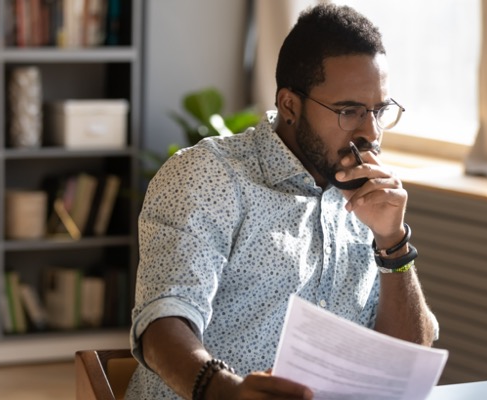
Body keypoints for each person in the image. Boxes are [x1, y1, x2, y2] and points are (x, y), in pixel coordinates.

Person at [125, 4, 437, 399]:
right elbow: (162, 322)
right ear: (290, 105)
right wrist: (227, 392)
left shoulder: (370, 196)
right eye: (349, 111)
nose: (370, 132)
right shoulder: (208, 176)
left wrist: (392, 241)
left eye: (379, 110)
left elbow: (404, 363)